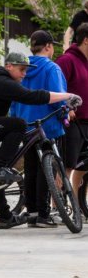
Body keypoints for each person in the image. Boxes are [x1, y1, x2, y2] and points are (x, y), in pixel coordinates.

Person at [0, 52, 80, 229]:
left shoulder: (0, 81)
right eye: (21, 70)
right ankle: (0, 166)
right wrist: (66, 95)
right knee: (18, 125)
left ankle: (5, 217)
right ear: (9, 66)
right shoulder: (2, 83)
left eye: (26, 70)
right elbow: (34, 97)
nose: (24, 74)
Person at [9, 31, 67, 228]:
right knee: (47, 169)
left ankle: (32, 212)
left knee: (31, 169)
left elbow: (14, 99)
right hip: (47, 127)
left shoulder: (23, 68)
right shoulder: (52, 68)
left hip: (25, 126)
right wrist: (65, 117)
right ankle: (43, 214)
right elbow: (57, 98)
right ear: (48, 46)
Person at [56, 23, 88, 198]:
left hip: (86, 121)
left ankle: (78, 203)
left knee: (83, 167)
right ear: (86, 40)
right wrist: (66, 108)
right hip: (72, 121)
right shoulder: (66, 60)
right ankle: (58, 205)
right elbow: (56, 88)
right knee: (67, 165)